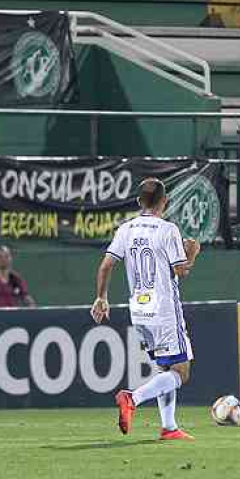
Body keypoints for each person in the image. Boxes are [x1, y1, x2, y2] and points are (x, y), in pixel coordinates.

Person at [91, 178, 200, 441]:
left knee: (165, 368)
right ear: (165, 201)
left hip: (139, 310)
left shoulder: (126, 229)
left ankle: (169, 427)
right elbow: (181, 270)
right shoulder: (168, 229)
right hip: (164, 310)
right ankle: (133, 398)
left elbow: (106, 266)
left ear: (139, 201)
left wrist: (101, 298)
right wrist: (193, 253)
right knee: (181, 372)